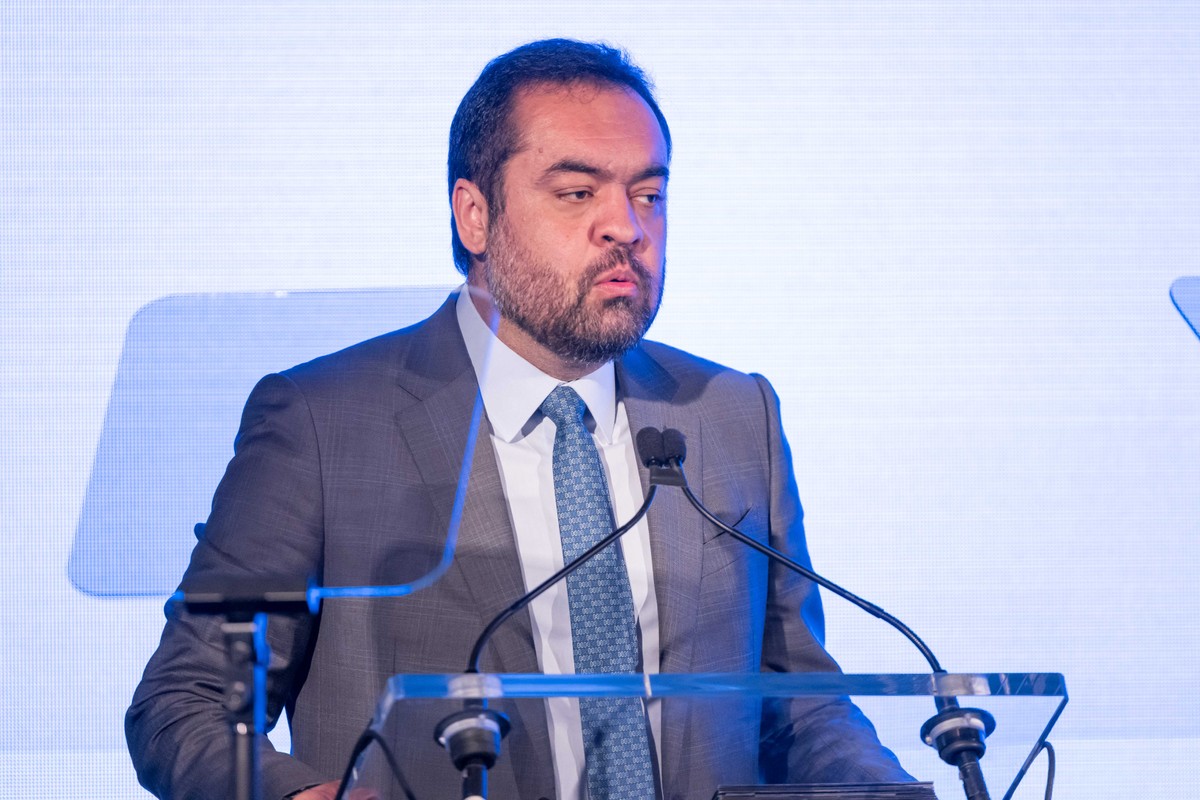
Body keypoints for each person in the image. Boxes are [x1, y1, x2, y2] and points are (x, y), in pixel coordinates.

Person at [127, 39, 912, 800]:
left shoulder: (731, 414)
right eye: (577, 193)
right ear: (474, 215)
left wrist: (888, 790)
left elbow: (797, 703)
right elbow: (185, 706)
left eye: (648, 194)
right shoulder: (323, 424)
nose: (626, 227)